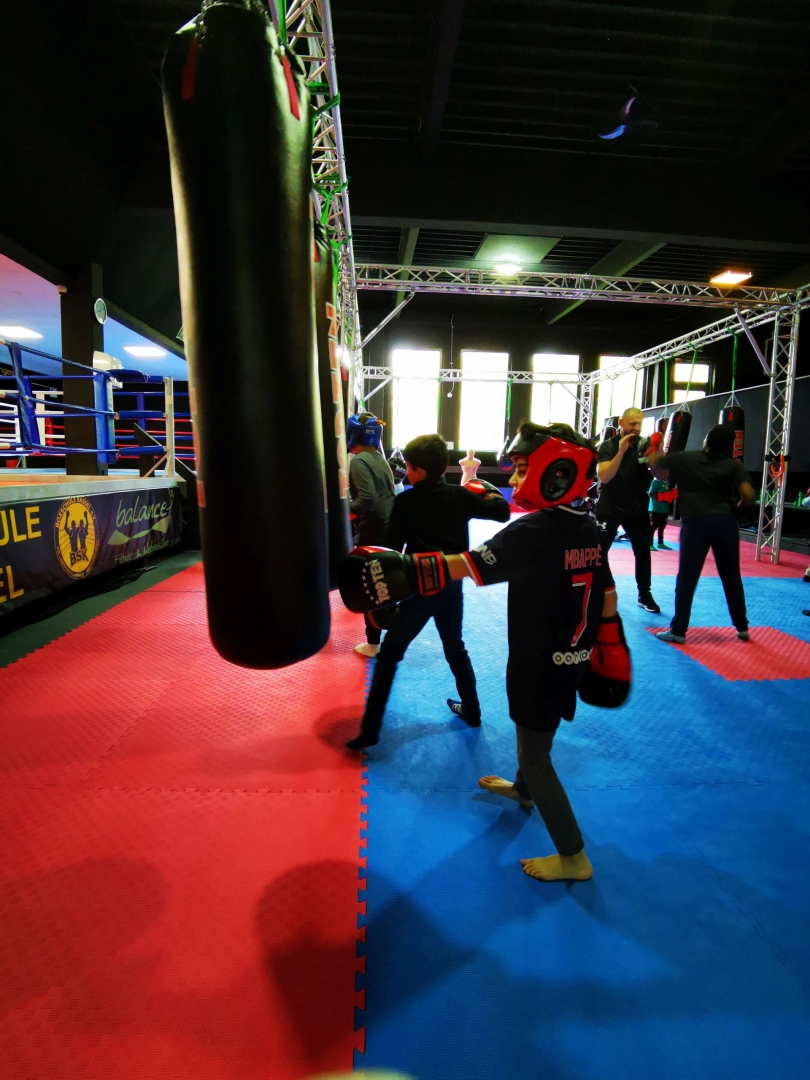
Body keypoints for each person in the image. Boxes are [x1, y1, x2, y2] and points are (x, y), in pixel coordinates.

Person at [338, 423, 630, 883]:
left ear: (556, 473)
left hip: (540, 659)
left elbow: (467, 565)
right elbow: (608, 596)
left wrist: (402, 572)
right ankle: (524, 790)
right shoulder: (587, 526)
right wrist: (607, 644)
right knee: (534, 734)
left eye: (522, 470)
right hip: (571, 655)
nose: (513, 481)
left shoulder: (534, 529)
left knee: (537, 755)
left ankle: (573, 855)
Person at [343, 433, 511, 750]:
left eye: (408, 467)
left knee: (389, 656)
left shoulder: (406, 502)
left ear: (418, 470)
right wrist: (484, 488)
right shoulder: (460, 496)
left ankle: (369, 731)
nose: (406, 471)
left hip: (418, 588)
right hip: (451, 586)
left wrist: (380, 602)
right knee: (455, 648)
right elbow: (501, 511)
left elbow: (390, 551)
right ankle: (472, 711)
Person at [647, 422, 755, 644]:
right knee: (731, 575)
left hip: (696, 523)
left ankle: (678, 631)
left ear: (706, 440)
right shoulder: (732, 465)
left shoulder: (685, 457)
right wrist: (736, 511)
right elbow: (748, 494)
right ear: (728, 446)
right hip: (725, 523)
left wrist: (655, 446)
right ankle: (742, 627)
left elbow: (658, 472)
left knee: (687, 578)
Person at [595, 407, 661, 613]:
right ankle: (596, 591)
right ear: (621, 423)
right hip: (609, 506)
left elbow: (662, 476)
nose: (636, 428)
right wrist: (621, 451)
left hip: (637, 507)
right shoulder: (607, 445)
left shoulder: (645, 445)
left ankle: (644, 594)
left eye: (639, 423)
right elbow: (604, 476)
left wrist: (657, 455)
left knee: (643, 551)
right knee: (598, 552)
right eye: (632, 423)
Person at [347, 411, 396, 657]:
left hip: (374, 530)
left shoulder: (359, 461)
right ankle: (389, 640)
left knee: (369, 585)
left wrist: (342, 512)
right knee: (384, 584)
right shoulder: (379, 458)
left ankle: (373, 644)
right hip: (389, 528)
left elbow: (366, 499)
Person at [648, 476, 675, 550]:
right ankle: (650, 544)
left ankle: (660, 543)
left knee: (662, 526)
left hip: (664, 508)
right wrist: (661, 496)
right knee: (654, 526)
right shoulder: (655, 482)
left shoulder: (666, 482)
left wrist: (670, 495)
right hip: (656, 508)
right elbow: (650, 494)